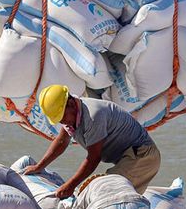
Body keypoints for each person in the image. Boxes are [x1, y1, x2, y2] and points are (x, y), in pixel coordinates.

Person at [23, 84, 161, 197]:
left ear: (71, 103)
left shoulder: (93, 115)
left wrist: (70, 186)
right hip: (128, 158)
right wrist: (39, 167)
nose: (62, 121)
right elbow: (61, 142)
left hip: (142, 156)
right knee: (101, 193)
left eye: (62, 117)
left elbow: (94, 158)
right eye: (58, 119)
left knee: (106, 192)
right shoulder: (72, 116)